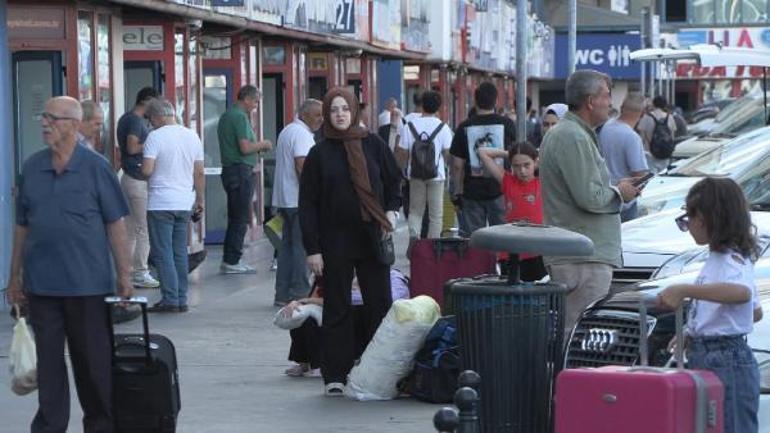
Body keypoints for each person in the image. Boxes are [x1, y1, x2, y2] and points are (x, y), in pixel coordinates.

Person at [6, 96, 133, 433]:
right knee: (48, 367)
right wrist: (14, 276)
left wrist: (125, 275)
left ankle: (101, 426)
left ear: (75, 125)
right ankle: (49, 427)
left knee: (93, 366)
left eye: (53, 118)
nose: (45, 123)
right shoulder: (32, 168)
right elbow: (22, 226)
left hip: (88, 287)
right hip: (42, 287)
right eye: (43, 116)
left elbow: (115, 223)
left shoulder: (96, 167)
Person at [299, 87, 401, 396]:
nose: (340, 114)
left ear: (354, 111)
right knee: (337, 306)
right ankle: (335, 374)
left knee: (379, 304)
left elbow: (395, 180)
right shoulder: (320, 152)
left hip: (372, 234)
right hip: (335, 239)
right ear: (327, 115)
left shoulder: (374, 144)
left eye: (345, 108)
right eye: (334, 110)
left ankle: (378, 372)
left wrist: (392, 213)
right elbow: (308, 204)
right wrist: (312, 249)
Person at [538, 70, 639, 337]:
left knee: (578, 334)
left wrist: (618, 189)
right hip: (582, 257)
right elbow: (588, 196)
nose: (611, 103)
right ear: (591, 100)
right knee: (578, 335)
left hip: (583, 253)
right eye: (607, 96)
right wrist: (620, 192)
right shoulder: (572, 136)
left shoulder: (575, 134)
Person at [658, 178, 762, 433]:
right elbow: (755, 311)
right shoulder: (720, 259)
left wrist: (684, 290)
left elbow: (741, 294)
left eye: (688, 218)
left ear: (706, 218)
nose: (688, 226)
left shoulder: (731, 259)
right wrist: (693, 332)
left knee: (728, 425)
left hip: (727, 357)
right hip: (711, 353)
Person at [141, 99, 205, 313]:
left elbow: (148, 170)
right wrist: (201, 200)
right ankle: (180, 298)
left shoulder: (155, 137)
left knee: (163, 252)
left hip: (160, 202)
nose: (150, 124)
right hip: (184, 201)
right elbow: (199, 172)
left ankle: (169, 298)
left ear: (158, 117)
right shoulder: (192, 135)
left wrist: (141, 168)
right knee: (179, 251)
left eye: (150, 119)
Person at [273, 98, 323, 307]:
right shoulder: (302, 135)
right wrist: (315, 195)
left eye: (322, 115)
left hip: (285, 199)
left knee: (287, 247)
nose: (321, 120)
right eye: (317, 115)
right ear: (304, 115)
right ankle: (300, 291)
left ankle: (282, 292)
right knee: (302, 248)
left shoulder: (288, 130)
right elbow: (302, 166)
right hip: (297, 199)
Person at [218, 85, 273, 274]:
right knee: (241, 217)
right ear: (247, 99)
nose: (256, 106)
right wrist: (263, 144)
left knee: (235, 216)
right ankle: (232, 260)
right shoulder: (240, 117)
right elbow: (245, 147)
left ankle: (230, 258)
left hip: (231, 170)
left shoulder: (227, 115)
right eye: (256, 101)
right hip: (240, 170)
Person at [450, 81, 516, 235]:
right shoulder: (507, 124)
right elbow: (515, 156)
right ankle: (500, 260)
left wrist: (457, 191)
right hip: (501, 189)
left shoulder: (463, 127)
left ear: (475, 100)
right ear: (496, 100)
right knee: (503, 238)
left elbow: (457, 165)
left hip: (472, 192)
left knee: (475, 241)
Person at [477, 142, 546, 281]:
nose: (522, 171)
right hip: (511, 252)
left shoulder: (543, 182)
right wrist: (510, 153)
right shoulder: (508, 181)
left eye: (527, 165)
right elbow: (482, 152)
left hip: (537, 251)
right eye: (516, 166)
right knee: (511, 297)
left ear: (536, 163)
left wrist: (532, 154)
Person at [117, 87, 161, 289]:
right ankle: (141, 271)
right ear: (147, 100)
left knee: (131, 229)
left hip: (128, 178)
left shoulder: (125, 118)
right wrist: (153, 142)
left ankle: (128, 270)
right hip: (137, 179)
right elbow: (132, 147)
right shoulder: (135, 121)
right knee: (143, 228)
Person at [396, 90, 453, 241]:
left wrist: (401, 172)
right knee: (436, 215)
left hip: (415, 175)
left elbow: (402, 153)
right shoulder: (443, 127)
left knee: (415, 211)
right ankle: (432, 248)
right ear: (438, 107)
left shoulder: (409, 126)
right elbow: (448, 155)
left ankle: (415, 240)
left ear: (421, 105)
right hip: (437, 176)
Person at [598, 92, 650, 222]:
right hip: (625, 204)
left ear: (621, 108)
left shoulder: (606, 126)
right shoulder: (632, 137)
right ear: (643, 113)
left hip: (605, 197)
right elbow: (639, 175)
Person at [636, 95, 677, 173]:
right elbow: (672, 137)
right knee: (663, 175)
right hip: (665, 152)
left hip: (649, 153)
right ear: (665, 105)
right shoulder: (670, 117)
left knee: (650, 177)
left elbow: (641, 137)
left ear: (653, 104)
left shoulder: (647, 117)